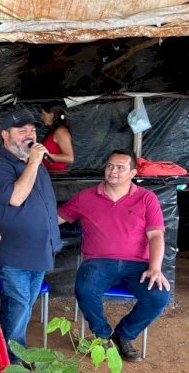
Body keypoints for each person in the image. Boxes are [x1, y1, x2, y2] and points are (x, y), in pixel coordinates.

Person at [58, 149, 171, 362]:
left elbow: (156, 235)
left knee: (159, 296)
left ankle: (124, 336)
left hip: (137, 265)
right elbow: (56, 218)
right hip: (98, 263)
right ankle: (102, 337)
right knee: (85, 288)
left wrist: (155, 267)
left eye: (120, 167)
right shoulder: (86, 197)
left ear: (133, 173)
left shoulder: (147, 198)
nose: (113, 171)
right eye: (110, 165)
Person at [0, 108, 61, 363]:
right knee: (18, 303)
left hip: (38, 249)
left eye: (33, 130)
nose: (30, 134)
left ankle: (10, 352)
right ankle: (12, 358)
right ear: (5, 135)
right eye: (22, 130)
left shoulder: (31, 162)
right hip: (15, 251)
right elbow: (16, 197)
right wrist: (35, 162)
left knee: (24, 304)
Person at [40, 103, 74, 171]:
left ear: (52, 115)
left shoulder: (61, 131)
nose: (41, 118)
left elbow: (69, 158)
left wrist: (44, 156)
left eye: (43, 114)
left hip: (57, 176)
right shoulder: (53, 131)